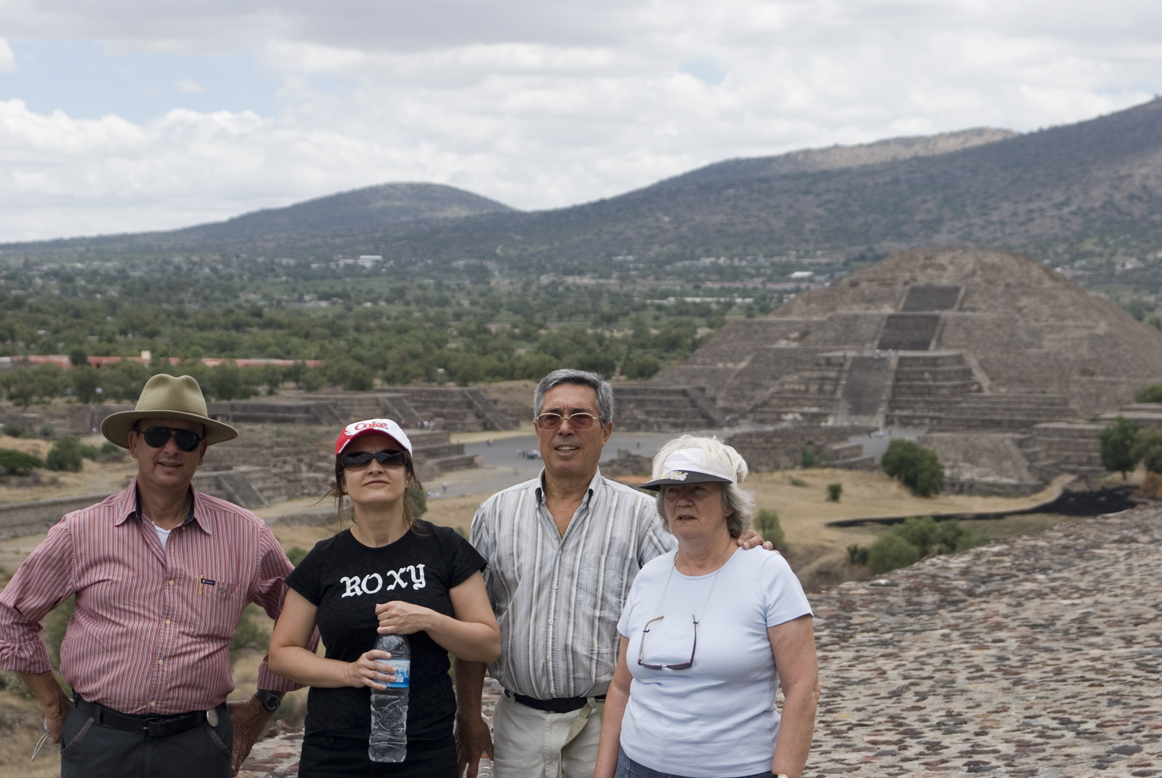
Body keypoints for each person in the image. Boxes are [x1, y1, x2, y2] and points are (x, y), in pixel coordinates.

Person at [455, 370, 771, 778]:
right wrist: (468, 713)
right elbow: (474, 624)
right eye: (552, 418)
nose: (564, 428)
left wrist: (740, 547)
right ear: (537, 429)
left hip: (607, 722)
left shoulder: (642, 517)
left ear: (605, 431)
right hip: (519, 726)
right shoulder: (494, 514)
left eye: (580, 417)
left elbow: (700, 576)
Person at [0, 373, 303, 778]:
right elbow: (12, 615)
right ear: (133, 443)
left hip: (198, 745)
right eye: (157, 435)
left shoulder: (247, 536)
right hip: (99, 741)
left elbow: (303, 614)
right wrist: (54, 704)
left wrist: (263, 705)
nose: (171, 449)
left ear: (202, 450)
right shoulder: (81, 531)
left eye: (187, 439)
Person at [268, 418, 500, 777]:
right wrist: (349, 672)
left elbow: (487, 644)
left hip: (424, 746)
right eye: (357, 459)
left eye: (390, 457)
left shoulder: (445, 548)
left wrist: (428, 620)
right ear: (342, 481)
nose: (374, 466)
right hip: (335, 748)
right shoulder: (323, 559)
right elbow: (282, 654)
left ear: (408, 475)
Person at [594, 436, 819, 778]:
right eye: (671, 491)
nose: (682, 500)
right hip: (636, 766)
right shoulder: (649, 576)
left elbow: (803, 687)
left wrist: (785, 774)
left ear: (728, 504)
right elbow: (622, 686)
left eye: (698, 490)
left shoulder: (767, 572)